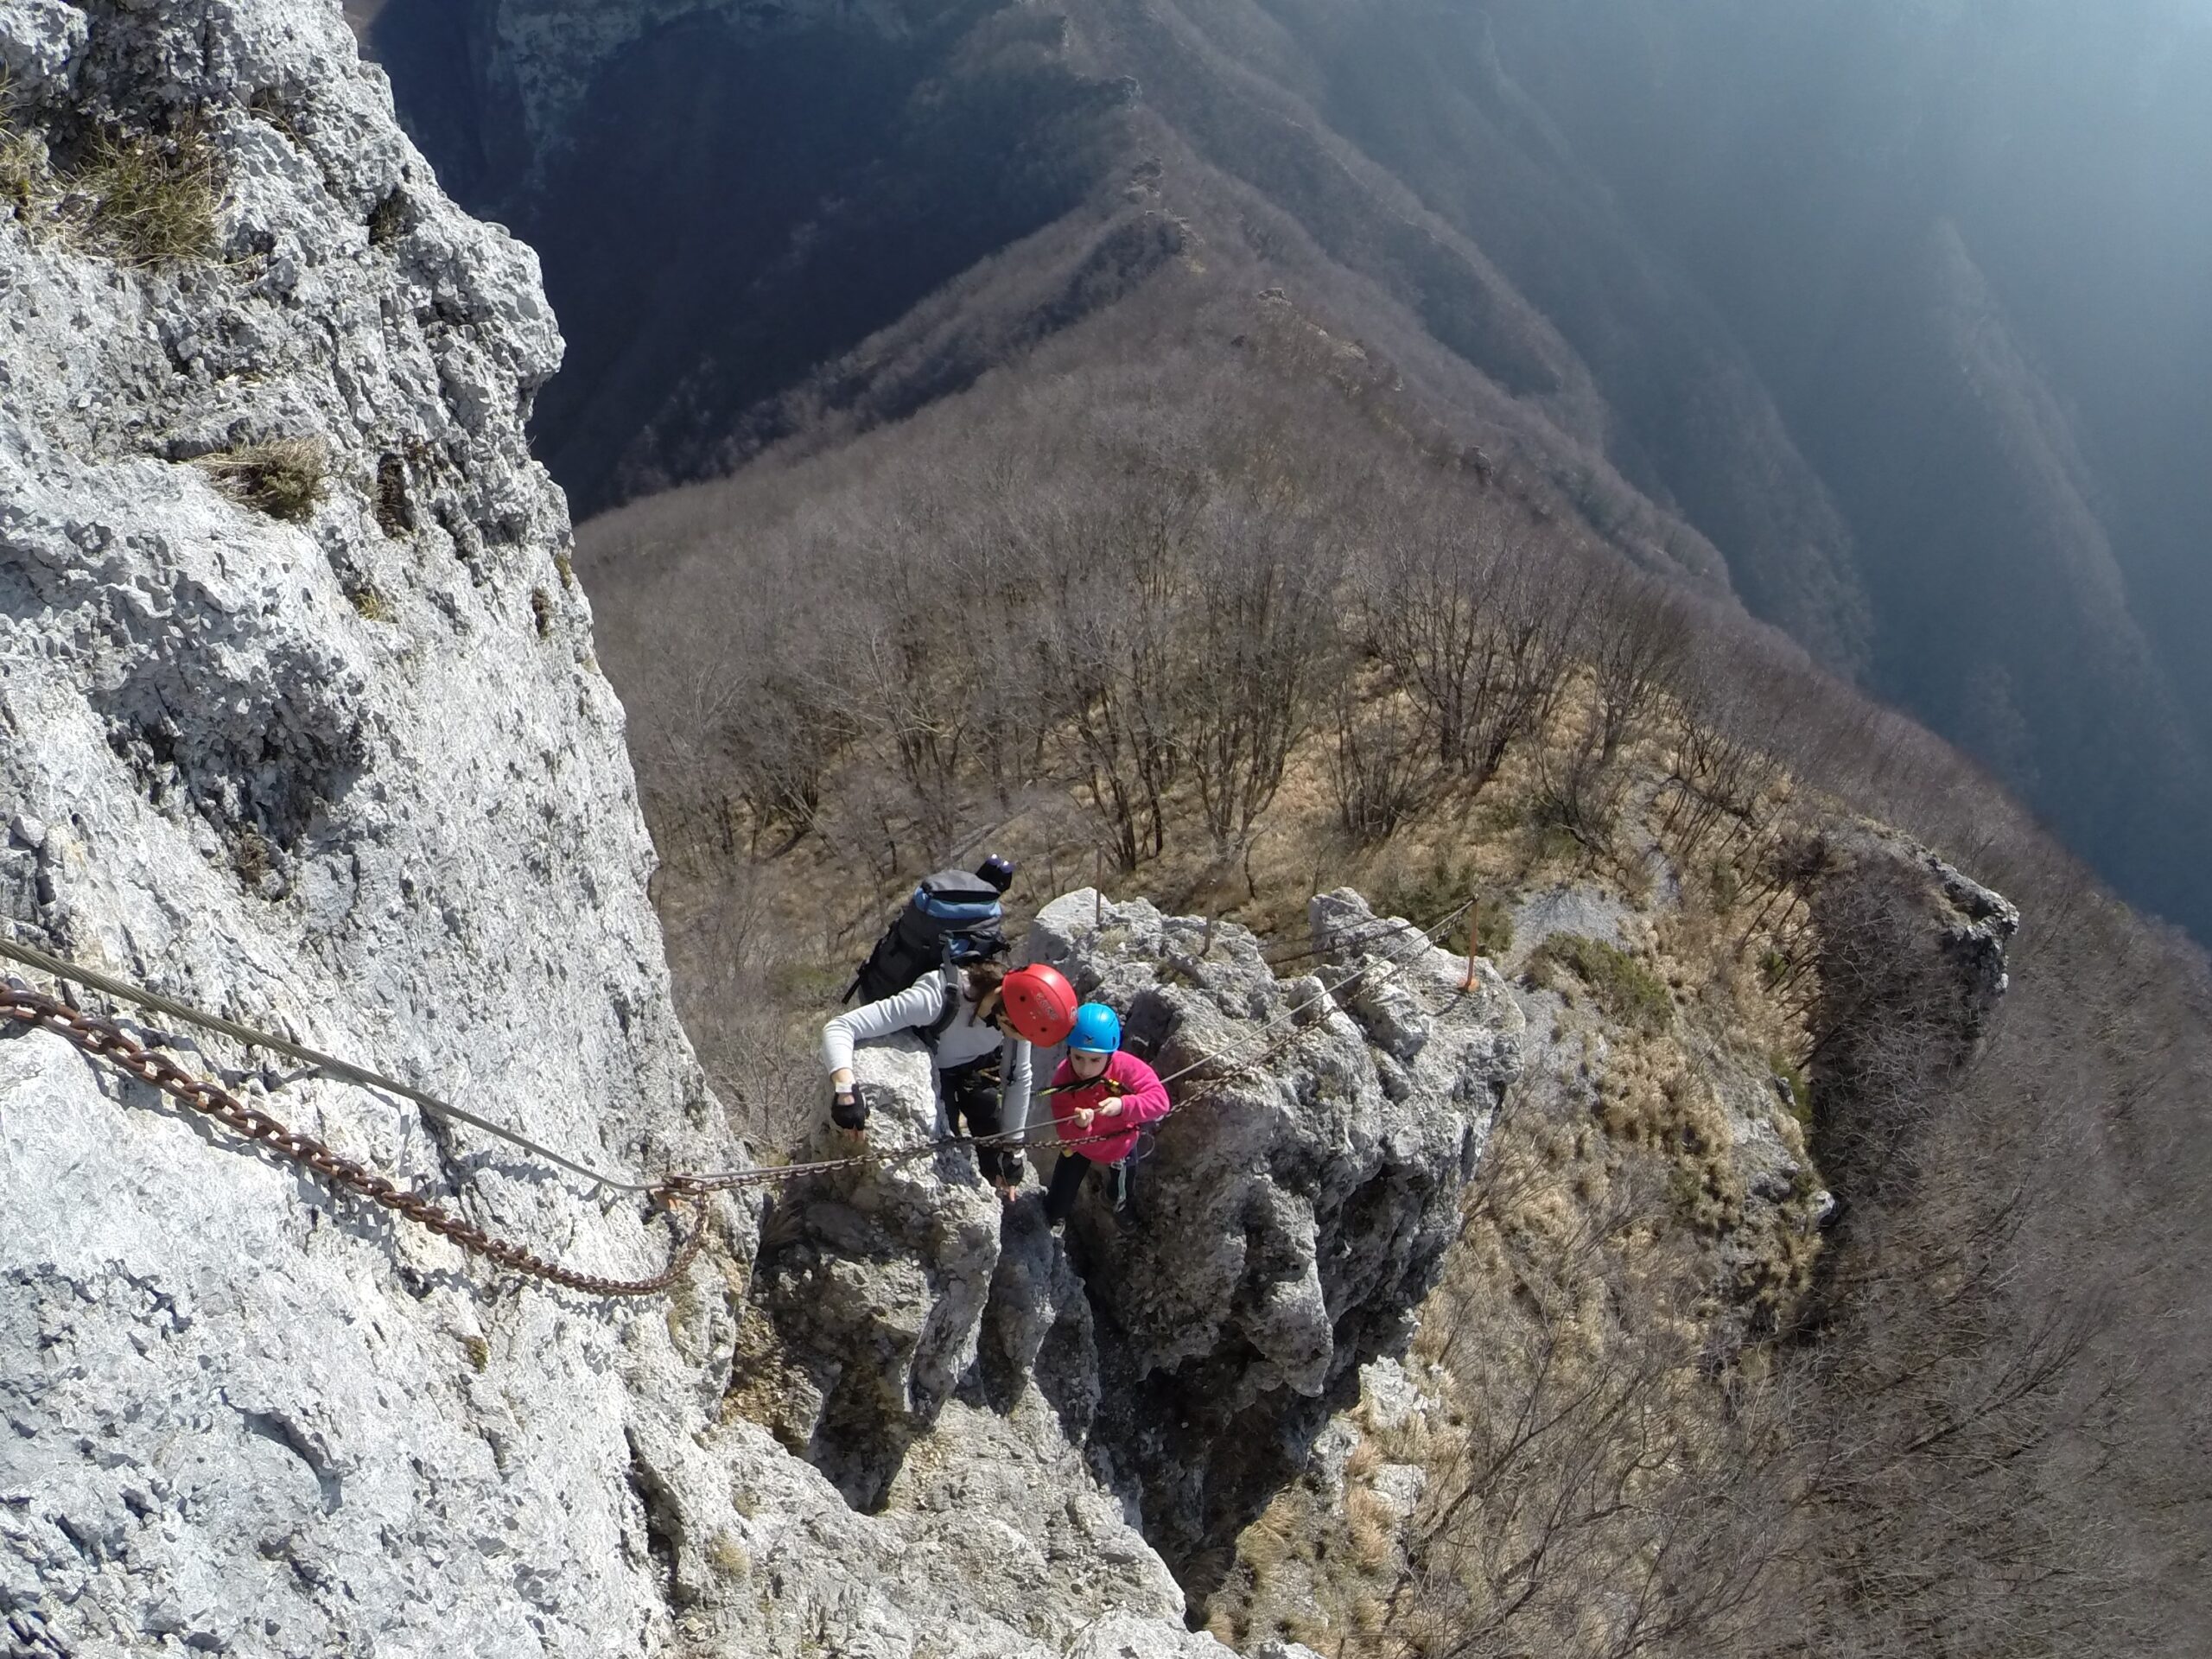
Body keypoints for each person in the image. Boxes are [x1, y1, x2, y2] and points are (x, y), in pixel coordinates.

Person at [823, 960, 1077, 1201]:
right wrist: (846, 1088)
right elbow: (840, 1027)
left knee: (989, 1116)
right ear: (1007, 1014)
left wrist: (1012, 1151)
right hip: (934, 1070)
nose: (1020, 1040)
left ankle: (993, 1182)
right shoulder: (935, 998)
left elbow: (1018, 1078)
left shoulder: (1013, 1011)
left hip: (972, 1068)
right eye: (1019, 1034)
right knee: (947, 1144)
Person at [1043, 1002, 1172, 1227]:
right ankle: (1055, 1216)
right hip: (1080, 1146)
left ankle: (1115, 1204)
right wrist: (1081, 1127)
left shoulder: (1127, 1068)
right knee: (1058, 1198)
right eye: (1078, 1057)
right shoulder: (1063, 1079)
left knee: (1121, 1190)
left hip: (1120, 1145)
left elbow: (1160, 1102)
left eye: (1095, 1060)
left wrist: (1123, 1105)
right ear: (1069, 1051)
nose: (1085, 1069)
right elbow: (1065, 1131)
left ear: (1110, 1055)